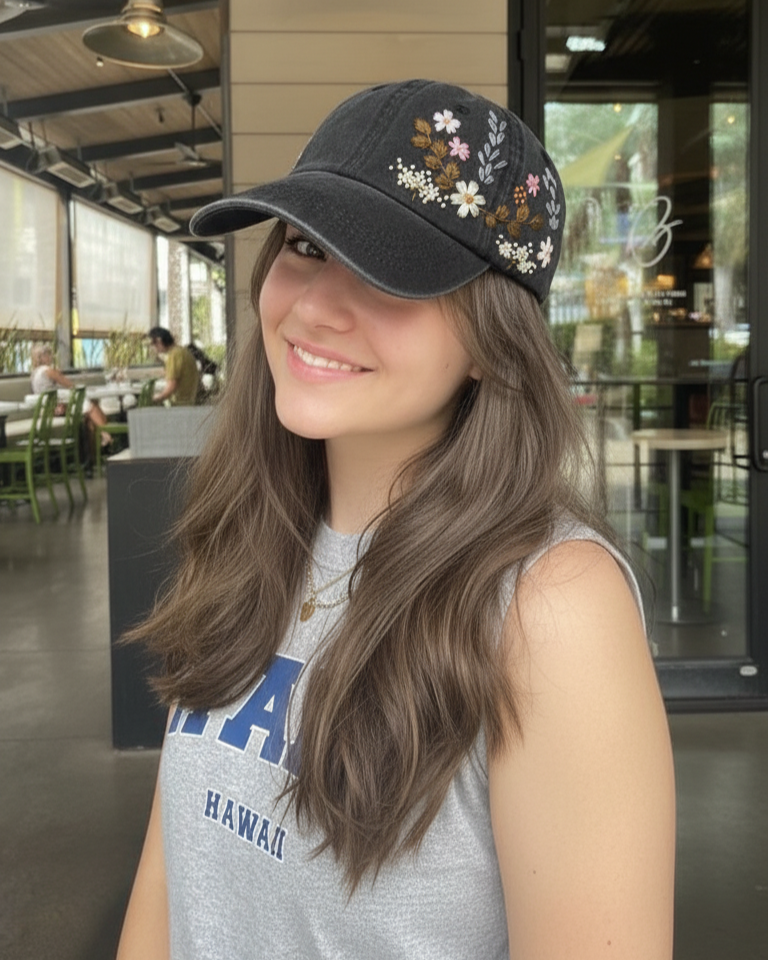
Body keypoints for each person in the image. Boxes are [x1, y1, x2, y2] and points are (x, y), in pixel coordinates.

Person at [118, 80, 675, 960]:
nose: (314, 308)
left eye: (389, 271)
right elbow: (172, 875)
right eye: (304, 245)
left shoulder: (549, 607)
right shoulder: (252, 535)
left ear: (495, 345)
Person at [29, 343, 111, 450]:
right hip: (56, 409)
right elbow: (70, 385)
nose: (51, 356)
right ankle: (107, 435)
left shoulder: (34, 374)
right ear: (42, 357)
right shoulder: (48, 371)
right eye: (49, 354)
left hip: (46, 411)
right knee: (91, 406)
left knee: (88, 418)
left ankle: (95, 451)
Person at [147, 327, 200, 405]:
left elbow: (172, 385)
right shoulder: (182, 351)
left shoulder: (173, 356)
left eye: (153, 344)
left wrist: (157, 398)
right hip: (189, 401)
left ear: (159, 341)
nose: (153, 348)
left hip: (179, 404)